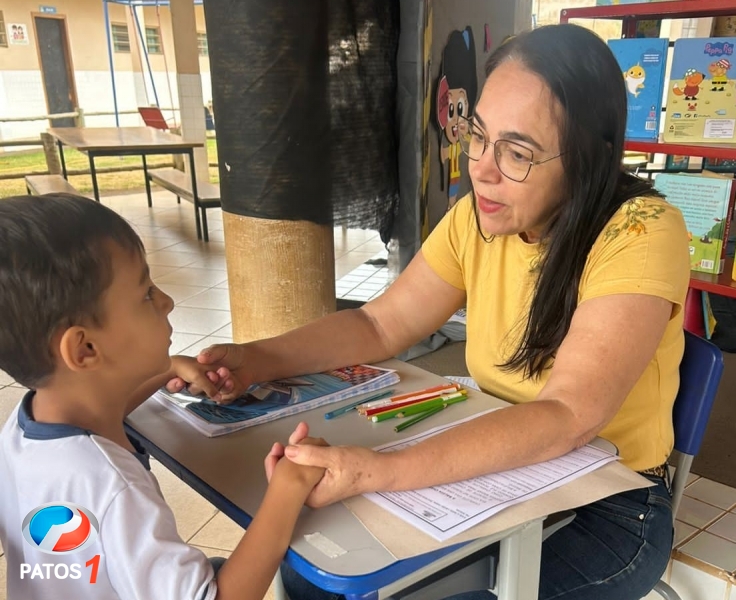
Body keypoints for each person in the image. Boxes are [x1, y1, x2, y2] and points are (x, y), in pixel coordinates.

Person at [175, 23, 690, 600]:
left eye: (517, 152)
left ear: (589, 158)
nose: (483, 169)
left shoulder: (640, 233)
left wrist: (377, 470)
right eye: (477, 136)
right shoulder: (480, 218)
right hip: (502, 472)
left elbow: (570, 415)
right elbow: (380, 323)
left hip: (607, 503)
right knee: (313, 572)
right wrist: (255, 360)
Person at [0, 193, 325, 600]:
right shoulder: (112, 487)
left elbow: (102, 410)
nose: (167, 301)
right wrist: (286, 492)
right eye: (146, 294)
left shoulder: (22, 428)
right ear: (84, 349)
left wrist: (167, 369)